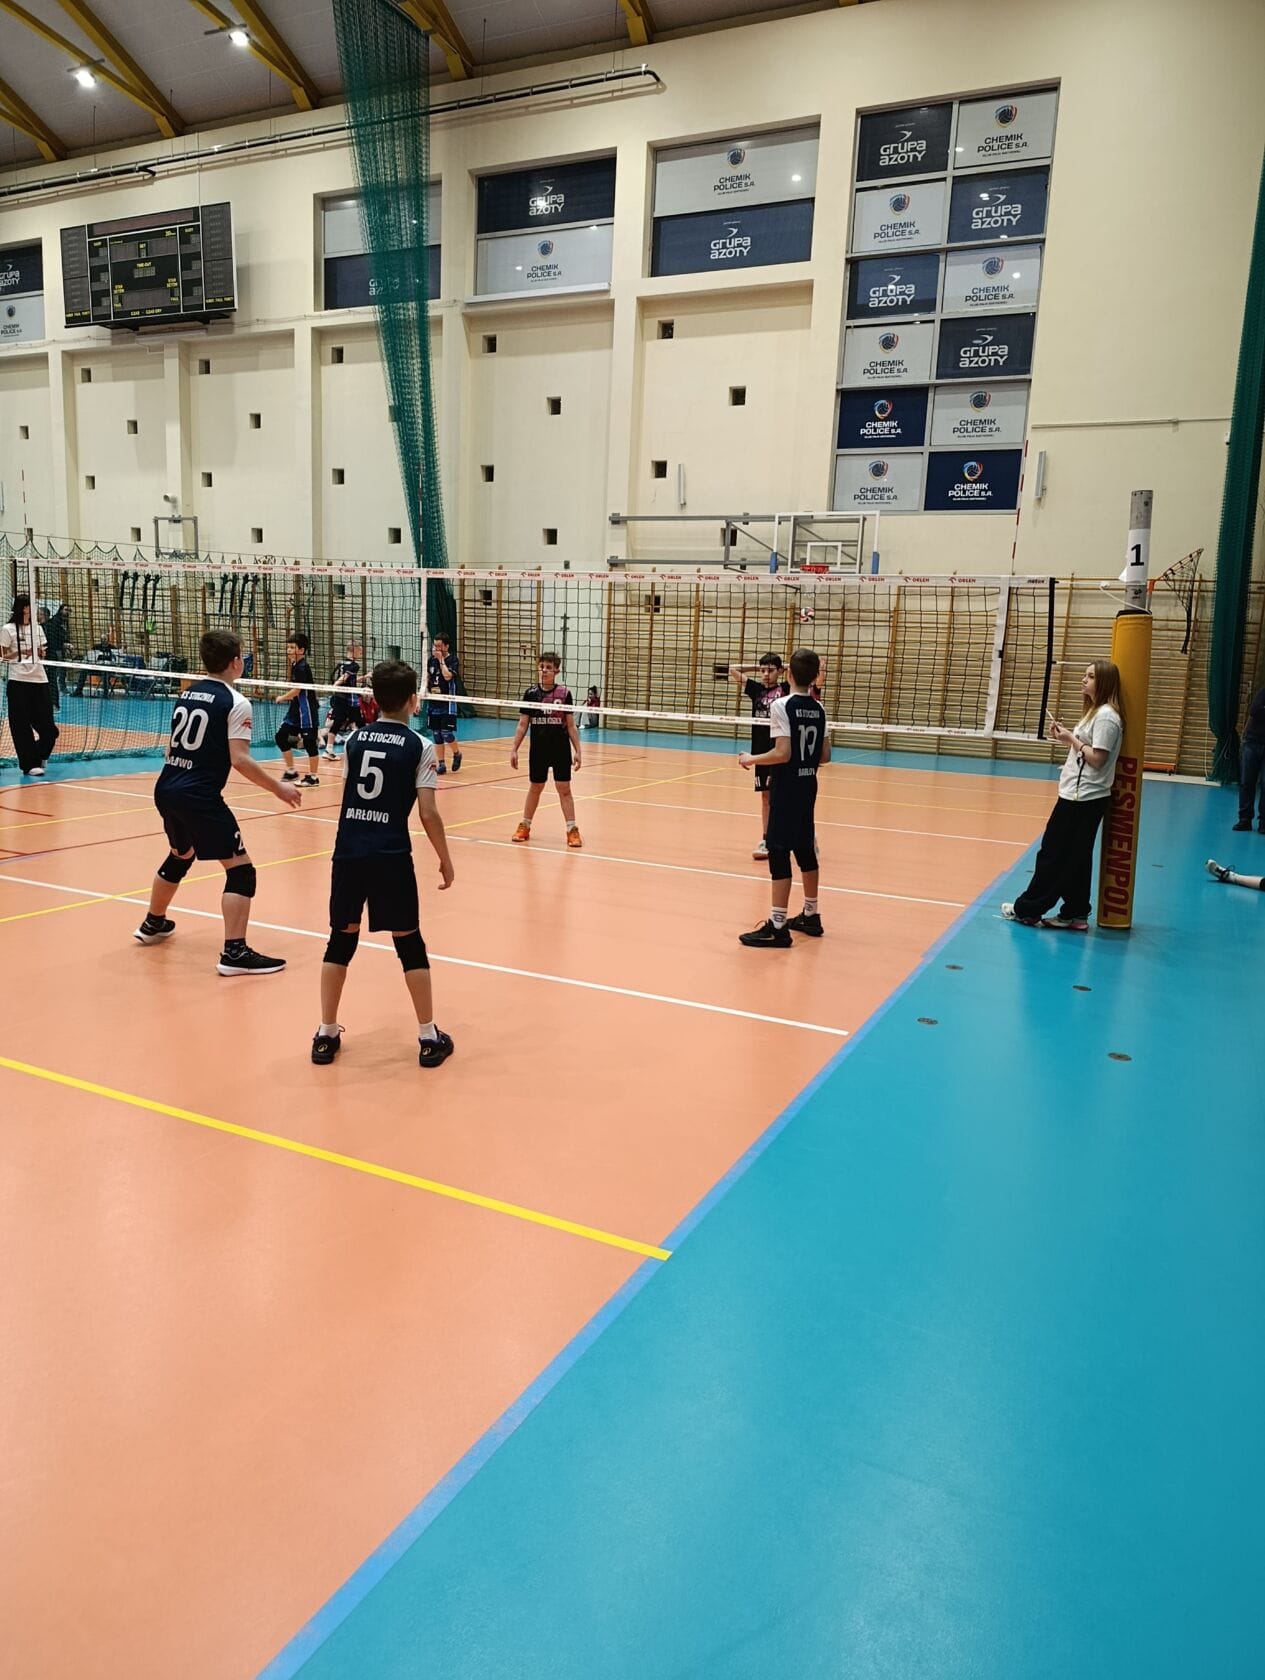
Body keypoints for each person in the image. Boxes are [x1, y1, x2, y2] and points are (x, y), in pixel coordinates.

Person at [312, 659, 456, 1069]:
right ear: (413, 700)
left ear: (375, 699)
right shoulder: (420, 746)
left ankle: (325, 1034)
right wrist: (445, 859)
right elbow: (428, 813)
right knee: (409, 942)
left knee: (340, 940)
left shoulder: (354, 740)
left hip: (349, 851)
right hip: (390, 855)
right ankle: (428, 1037)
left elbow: (349, 796)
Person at [133, 628, 301, 974]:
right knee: (241, 871)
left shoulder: (188, 693)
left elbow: (170, 747)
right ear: (236, 662)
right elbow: (239, 759)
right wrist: (278, 788)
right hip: (199, 796)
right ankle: (234, 953)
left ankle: (153, 922)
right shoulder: (236, 702)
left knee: (181, 854)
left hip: (167, 787)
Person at [1002, 660, 1125, 930]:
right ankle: (1075, 912)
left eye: (1090, 676)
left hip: (1083, 798)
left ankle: (1028, 910)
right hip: (1078, 794)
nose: (1084, 680)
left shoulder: (1106, 716)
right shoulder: (1094, 712)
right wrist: (1067, 738)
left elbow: (1098, 759)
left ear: (1104, 682)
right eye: (1085, 675)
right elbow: (1085, 752)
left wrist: (1071, 739)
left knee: (1053, 855)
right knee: (1077, 858)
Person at [737, 647, 830, 947]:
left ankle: (778, 926)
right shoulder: (819, 708)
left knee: (778, 851)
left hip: (787, 786)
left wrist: (752, 759)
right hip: (808, 786)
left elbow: (783, 752)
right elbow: (825, 756)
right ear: (815, 677)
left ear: (788, 674)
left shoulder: (781, 705)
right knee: (804, 848)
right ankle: (811, 915)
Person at [510, 652, 582, 847]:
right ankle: (525, 826)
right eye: (542, 667)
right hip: (539, 749)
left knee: (564, 788)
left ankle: (572, 830)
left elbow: (570, 725)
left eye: (549, 668)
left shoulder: (564, 694)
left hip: (560, 748)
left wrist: (578, 750)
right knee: (536, 787)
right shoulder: (531, 693)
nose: (544, 671)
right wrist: (514, 748)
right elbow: (523, 724)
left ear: (556, 671)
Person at [729, 653, 790, 861]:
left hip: (781, 750)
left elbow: (801, 673)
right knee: (766, 797)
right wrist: (758, 667)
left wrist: (783, 667)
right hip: (761, 752)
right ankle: (766, 839)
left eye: (770, 670)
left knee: (783, 798)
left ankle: (798, 835)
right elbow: (733, 669)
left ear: (780, 671)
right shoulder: (756, 689)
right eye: (762, 670)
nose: (765, 674)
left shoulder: (786, 689)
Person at [1, 593, 59, 777]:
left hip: (39, 680)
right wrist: (22, 652)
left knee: (49, 730)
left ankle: (40, 754)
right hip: (18, 681)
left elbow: (42, 653)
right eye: (30, 606)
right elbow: (2, 656)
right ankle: (29, 764)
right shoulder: (8, 629)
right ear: (24, 608)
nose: (33, 609)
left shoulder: (37, 628)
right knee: (21, 726)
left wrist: (39, 652)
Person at [275, 631, 320, 786]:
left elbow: (297, 690)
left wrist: (282, 697)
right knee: (281, 737)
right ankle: (291, 771)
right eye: (288, 647)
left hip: (306, 711)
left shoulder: (302, 667)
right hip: (295, 710)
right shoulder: (295, 665)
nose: (289, 650)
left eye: (292, 647)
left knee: (310, 744)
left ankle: (313, 777)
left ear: (301, 650)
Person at [425, 633, 462, 774]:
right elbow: (427, 678)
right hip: (433, 702)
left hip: (448, 702)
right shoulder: (430, 661)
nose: (436, 649)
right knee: (436, 734)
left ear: (446, 646)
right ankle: (441, 763)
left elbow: (447, 677)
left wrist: (441, 660)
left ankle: (457, 753)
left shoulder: (453, 660)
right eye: (435, 646)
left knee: (446, 733)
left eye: (439, 646)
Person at [321, 641, 363, 760]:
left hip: (339, 698)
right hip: (349, 700)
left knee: (337, 723)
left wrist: (365, 677)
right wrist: (335, 685)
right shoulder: (354, 665)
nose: (361, 653)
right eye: (360, 651)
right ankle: (364, 747)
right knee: (360, 723)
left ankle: (328, 750)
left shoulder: (341, 663)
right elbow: (344, 678)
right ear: (354, 650)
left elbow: (349, 679)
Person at [1234, 684, 1265, 832]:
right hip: (1252, 741)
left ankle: (1263, 822)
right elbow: (1255, 710)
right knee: (1247, 782)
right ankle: (1244, 819)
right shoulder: (1264, 692)